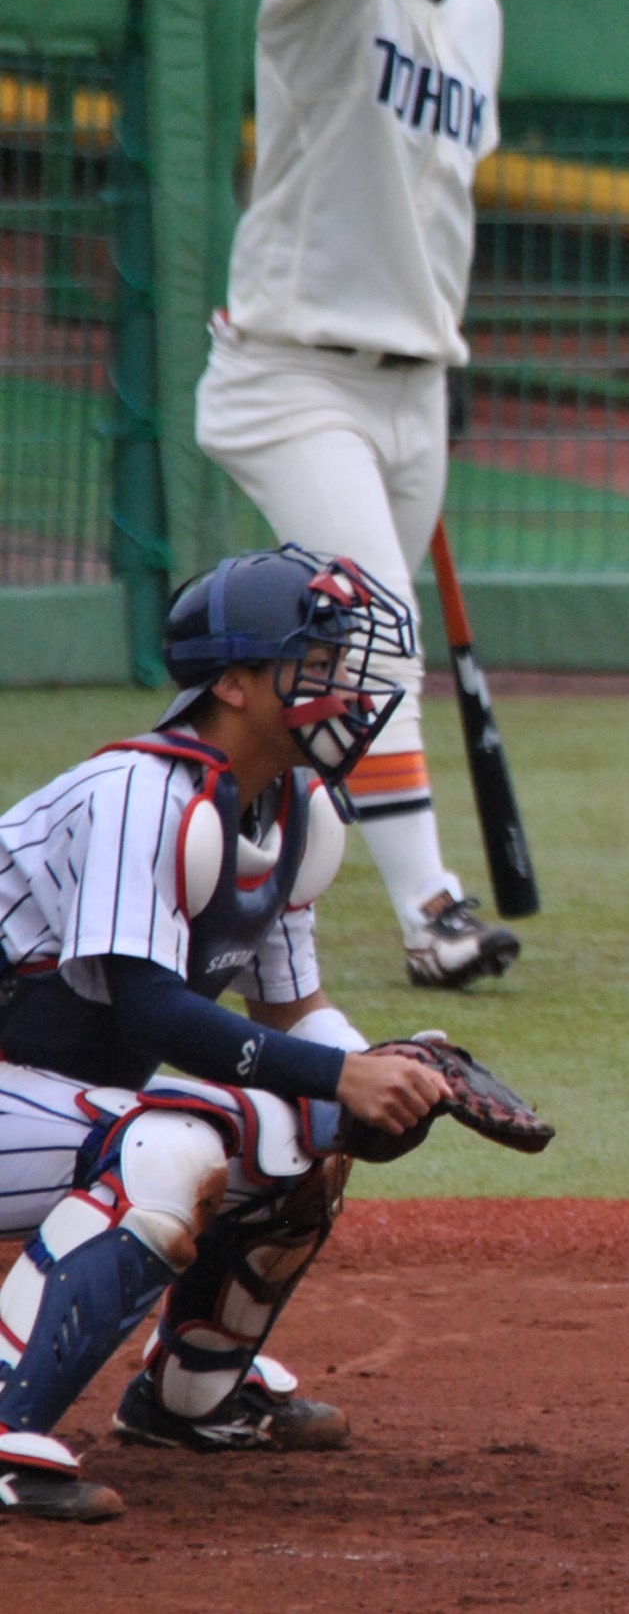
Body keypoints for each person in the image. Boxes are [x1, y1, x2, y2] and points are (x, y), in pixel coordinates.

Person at [0, 546, 466, 1522]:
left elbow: (292, 1016)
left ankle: (191, 1394)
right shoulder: (139, 791)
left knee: (304, 1130)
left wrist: (388, 1068)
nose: (343, 689)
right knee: (171, 1147)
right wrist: (342, 1075)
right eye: (317, 665)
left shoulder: (293, 809)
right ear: (238, 684)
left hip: (32, 1092)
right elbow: (150, 1012)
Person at [194, 0, 519, 989]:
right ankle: (432, 914)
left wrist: (437, 341)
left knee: (344, 679)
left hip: (415, 385)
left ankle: (221, 855)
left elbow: (436, 201)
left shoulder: (476, 13)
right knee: (377, 642)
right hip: (295, 374)